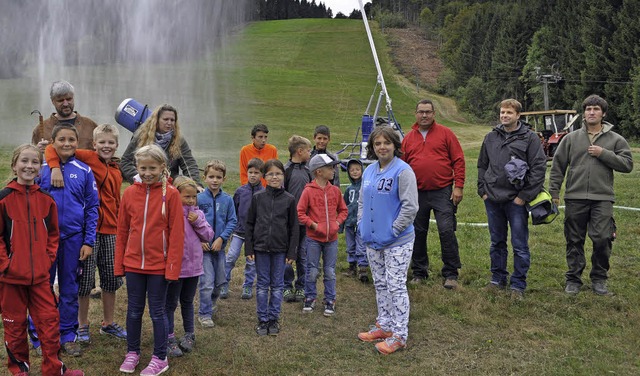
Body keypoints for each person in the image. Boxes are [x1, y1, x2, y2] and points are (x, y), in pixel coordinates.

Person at [0, 144, 85, 376]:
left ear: (40, 168)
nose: (29, 166)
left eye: (34, 162)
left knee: (48, 324)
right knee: (15, 328)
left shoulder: (47, 200)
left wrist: (47, 260)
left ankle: (54, 370)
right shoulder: (3, 199)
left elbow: (53, 235)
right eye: (24, 161)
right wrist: (5, 265)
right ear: (14, 165)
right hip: (11, 280)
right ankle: (19, 371)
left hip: (40, 278)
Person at [44, 124, 126, 344]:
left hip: (111, 230)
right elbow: (55, 149)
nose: (106, 146)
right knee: (85, 280)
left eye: (111, 143)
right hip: (88, 231)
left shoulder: (118, 168)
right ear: (94, 144)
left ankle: (108, 323)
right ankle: (82, 325)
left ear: (117, 145)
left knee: (111, 278)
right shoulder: (87, 158)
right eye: (102, 142)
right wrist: (54, 167)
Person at [549, 94, 633, 296]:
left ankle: (599, 279)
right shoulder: (570, 138)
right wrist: (554, 192)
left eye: (596, 109)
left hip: (602, 199)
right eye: (588, 109)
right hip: (575, 197)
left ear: (603, 113)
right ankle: (573, 279)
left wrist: (603, 153)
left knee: (603, 238)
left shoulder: (615, 139)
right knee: (574, 240)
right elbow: (558, 167)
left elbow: (628, 164)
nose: (591, 112)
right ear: (584, 114)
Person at [115, 144, 184, 375]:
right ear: (136, 167)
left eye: (152, 168)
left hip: (159, 267)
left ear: (162, 167)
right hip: (133, 264)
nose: (147, 173)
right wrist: (120, 264)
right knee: (133, 311)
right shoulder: (129, 194)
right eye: (143, 168)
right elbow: (122, 230)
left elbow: (176, 235)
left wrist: (172, 269)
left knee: (157, 312)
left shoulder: (171, 195)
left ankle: (160, 357)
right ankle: (132, 352)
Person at [38, 124, 99, 356]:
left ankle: (68, 334)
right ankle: (41, 334)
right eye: (61, 139)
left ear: (77, 142)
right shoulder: (41, 170)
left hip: (74, 240)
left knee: (69, 289)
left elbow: (92, 207)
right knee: (42, 288)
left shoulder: (84, 171)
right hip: (45, 241)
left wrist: (88, 240)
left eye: (71, 139)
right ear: (52, 142)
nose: (66, 143)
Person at [356, 126, 418, 355]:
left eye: (386, 143)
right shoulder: (370, 171)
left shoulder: (403, 171)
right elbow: (362, 201)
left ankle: (399, 335)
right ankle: (385, 325)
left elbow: (410, 206)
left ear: (395, 145)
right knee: (380, 283)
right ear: (372, 148)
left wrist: (393, 230)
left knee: (396, 285)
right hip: (372, 240)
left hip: (396, 241)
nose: (382, 147)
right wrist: (363, 224)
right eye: (377, 144)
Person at [477, 98, 546, 298]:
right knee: (496, 241)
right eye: (502, 112)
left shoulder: (530, 138)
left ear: (518, 116)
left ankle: (518, 285)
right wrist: (483, 190)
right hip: (492, 198)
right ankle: (497, 279)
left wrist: (523, 196)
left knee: (519, 244)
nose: (504, 115)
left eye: (509, 112)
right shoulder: (491, 137)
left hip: (516, 201)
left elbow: (539, 168)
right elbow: (482, 164)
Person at [401, 99, 465, 289]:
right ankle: (419, 271)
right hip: (416, 193)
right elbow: (402, 166)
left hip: (442, 191)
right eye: (421, 112)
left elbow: (459, 160)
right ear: (416, 114)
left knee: (446, 230)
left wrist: (458, 186)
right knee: (417, 233)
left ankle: (451, 273)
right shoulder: (408, 138)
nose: (424, 115)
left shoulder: (446, 133)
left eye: (428, 112)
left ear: (434, 113)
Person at [245, 159, 299, 336]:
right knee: (261, 285)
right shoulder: (257, 198)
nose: (275, 177)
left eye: (278, 174)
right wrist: (249, 248)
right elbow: (250, 224)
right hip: (260, 249)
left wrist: (292, 251)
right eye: (271, 174)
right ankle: (262, 319)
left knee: (276, 286)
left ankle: (274, 318)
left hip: (280, 250)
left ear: (283, 176)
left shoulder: (289, 200)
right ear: (264, 177)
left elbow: (294, 228)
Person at [165, 177, 214, 357]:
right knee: (170, 303)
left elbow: (208, 235)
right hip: (177, 268)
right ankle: (169, 337)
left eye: (194, 197)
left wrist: (197, 222)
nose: (191, 200)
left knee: (187, 301)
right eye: (187, 196)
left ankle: (189, 334)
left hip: (194, 268)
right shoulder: (171, 214)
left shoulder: (198, 214)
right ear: (176, 195)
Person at [297, 154, 348, 316]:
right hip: (313, 240)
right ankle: (310, 298)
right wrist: (313, 225)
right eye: (330, 167)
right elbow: (300, 212)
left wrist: (337, 224)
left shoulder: (335, 191)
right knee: (312, 270)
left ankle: (330, 300)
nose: (334, 170)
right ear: (319, 172)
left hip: (331, 240)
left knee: (330, 271)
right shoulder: (308, 192)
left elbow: (343, 210)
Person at [197, 160, 237, 328]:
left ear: (224, 179)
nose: (214, 180)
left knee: (220, 281)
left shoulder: (228, 200)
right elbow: (192, 222)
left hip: (219, 249)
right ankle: (204, 313)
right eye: (211, 176)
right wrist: (200, 240)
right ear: (204, 178)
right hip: (204, 250)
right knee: (206, 282)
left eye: (218, 177)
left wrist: (222, 238)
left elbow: (232, 221)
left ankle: (212, 301)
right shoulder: (198, 199)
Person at [120, 104, 201, 185]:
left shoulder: (178, 140)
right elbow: (126, 161)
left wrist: (195, 185)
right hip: (144, 179)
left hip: (169, 182)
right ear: (156, 120)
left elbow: (189, 164)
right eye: (165, 119)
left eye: (172, 120)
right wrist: (138, 178)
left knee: (181, 181)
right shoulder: (141, 136)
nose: (169, 123)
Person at [224, 158, 264, 300]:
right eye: (250, 172)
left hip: (254, 236)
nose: (253, 175)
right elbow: (233, 212)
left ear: (262, 175)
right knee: (230, 257)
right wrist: (231, 229)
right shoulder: (240, 191)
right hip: (239, 232)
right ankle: (224, 282)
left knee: (251, 262)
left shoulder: (263, 193)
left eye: (256, 173)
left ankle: (248, 285)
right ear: (246, 173)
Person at [282, 135, 313, 303]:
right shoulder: (286, 171)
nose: (310, 153)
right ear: (299, 151)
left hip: (305, 223)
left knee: (303, 255)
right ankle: (287, 286)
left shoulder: (309, 171)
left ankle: (301, 286)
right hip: (289, 223)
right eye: (308, 150)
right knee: (288, 255)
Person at [32, 80, 98, 151]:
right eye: (60, 100)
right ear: (52, 101)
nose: (66, 104)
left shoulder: (90, 125)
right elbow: (33, 159)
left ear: (73, 97)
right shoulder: (41, 129)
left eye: (69, 99)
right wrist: (36, 151)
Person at [341, 159, 368, 282]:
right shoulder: (348, 189)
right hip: (349, 222)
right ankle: (352, 267)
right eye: (352, 170)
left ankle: (363, 268)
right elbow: (344, 206)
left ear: (362, 170)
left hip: (362, 221)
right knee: (350, 245)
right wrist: (342, 224)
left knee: (361, 244)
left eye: (357, 169)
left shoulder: (366, 187)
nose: (355, 172)